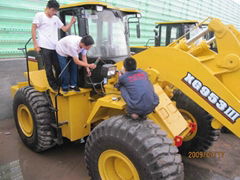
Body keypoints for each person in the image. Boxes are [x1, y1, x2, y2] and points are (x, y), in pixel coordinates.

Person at [32, 0, 76, 91]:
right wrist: (36, 44)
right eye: (53, 10)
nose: (54, 12)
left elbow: (64, 29)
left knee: (58, 66)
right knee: (48, 68)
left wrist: (71, 22)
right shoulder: (39, 15)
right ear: (47, 8)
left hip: (55, 46)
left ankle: (59, 83)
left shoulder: (55, 18)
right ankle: (53, 85)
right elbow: (33, 29)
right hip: (44, 46)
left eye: (55, 11)